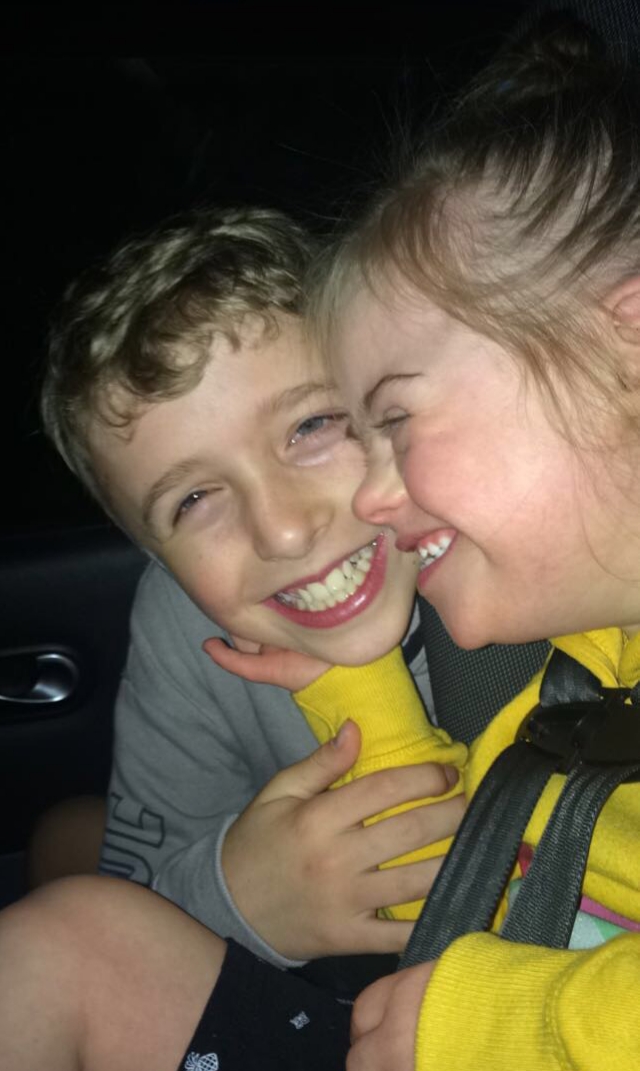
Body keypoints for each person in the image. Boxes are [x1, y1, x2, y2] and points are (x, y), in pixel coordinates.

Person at [310, 14, 640, 1070]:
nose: (368, 498)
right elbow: (477, 873)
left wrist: (490, 1027)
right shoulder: (587, 675)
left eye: (395, 419)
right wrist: (347, 667)